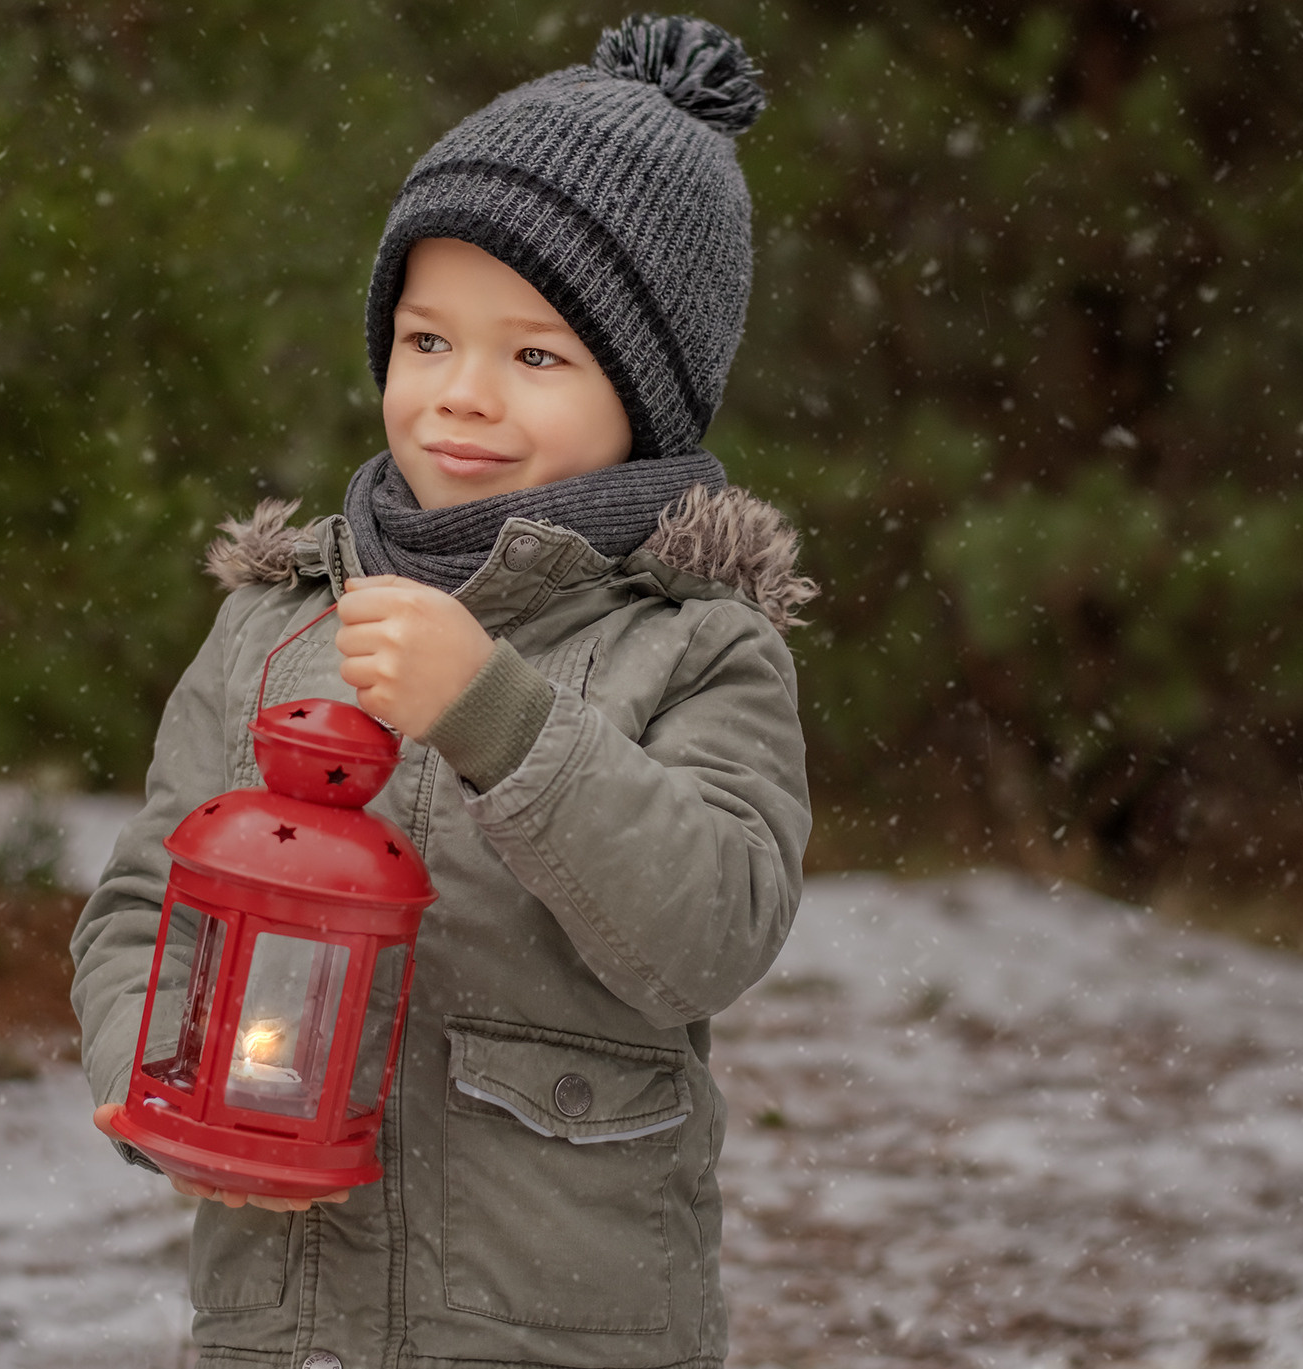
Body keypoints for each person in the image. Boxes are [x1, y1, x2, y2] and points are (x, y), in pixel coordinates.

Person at [71, 14, 816, 1368]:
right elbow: (144, 908)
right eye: (426, 341)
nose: (459, 397)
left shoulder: (691, 645)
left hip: (558, 1334)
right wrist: (158, 1086)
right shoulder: (276, 623)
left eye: (535, 356)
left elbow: (710, 928)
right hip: (287, 1328)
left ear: (644, 401)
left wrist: (500, 714)